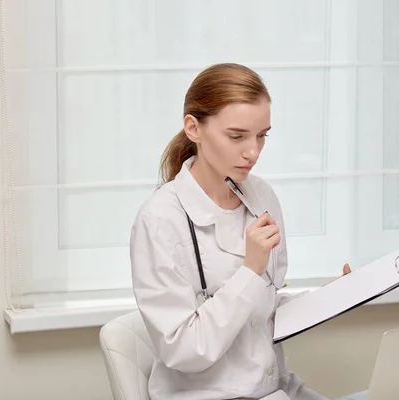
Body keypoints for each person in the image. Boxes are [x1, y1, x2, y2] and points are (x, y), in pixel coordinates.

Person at [130, 63, 352, 400]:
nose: (253, 152)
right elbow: (184, 350)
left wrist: (331, 298)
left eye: (262, 135)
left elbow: (263, 314)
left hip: (277, 388)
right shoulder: (160, 221)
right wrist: (250, 269)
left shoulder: (261, 196)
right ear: (193, 128)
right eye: (237, 136)